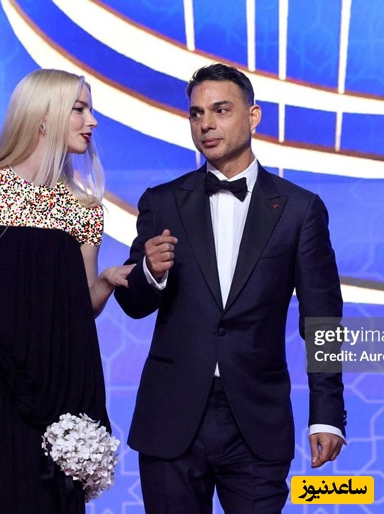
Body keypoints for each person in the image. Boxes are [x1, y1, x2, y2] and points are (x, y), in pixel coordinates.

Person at [114, 63, 346, 513]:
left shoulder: (300, 210)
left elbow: (323, 320)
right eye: (196, 113)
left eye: (221, 110)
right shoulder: (161, 202)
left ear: (253, 116)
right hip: (171, 419)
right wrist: (149, 272)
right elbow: (132, 302)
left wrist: (327, 415)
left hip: (257, 420)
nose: (206, 124)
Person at [0, 68, 133, 513]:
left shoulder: (84, 207)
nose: (92, 121)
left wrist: (105, 283)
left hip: (58, 387)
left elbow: (80, 308)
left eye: (90, 110)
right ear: (43, 116)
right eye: (79, 109)